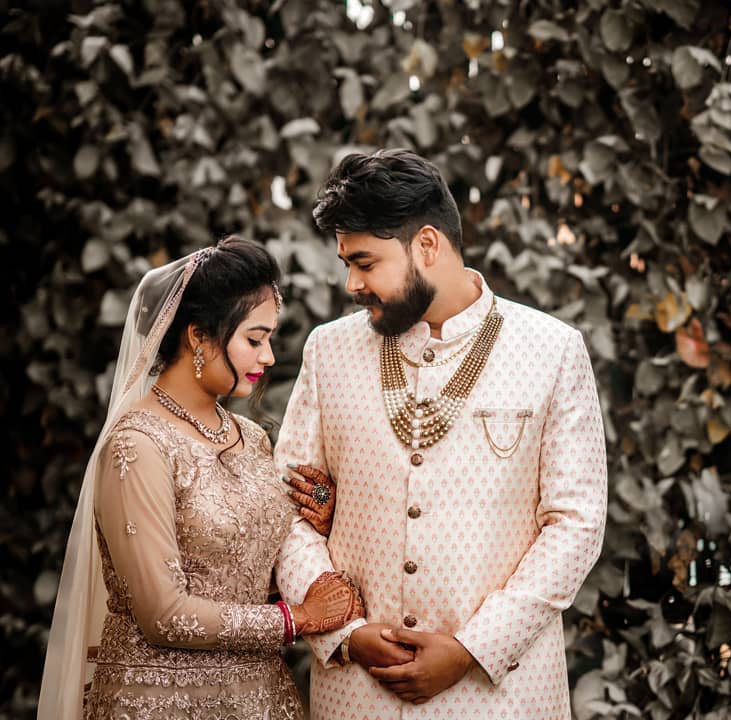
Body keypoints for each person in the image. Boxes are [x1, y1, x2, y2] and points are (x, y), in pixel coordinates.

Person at [276, 149, 608, 718]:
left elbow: (576, 524)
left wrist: (472, 649)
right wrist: (344, 632)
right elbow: (285, 509)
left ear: (427, 245)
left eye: (366, 262)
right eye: (346, 263)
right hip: (358, 693)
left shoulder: (551, 351)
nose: (352, 283)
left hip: (501, 697)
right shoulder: (329, 350)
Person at [38, 236, 364, 720]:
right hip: (159, 704)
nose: (269, 357)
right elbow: (164, 615)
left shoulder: (251, 438)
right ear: (198, 337)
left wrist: (322, 514)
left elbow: (244, 573)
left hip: (261, 699)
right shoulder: (138, 445)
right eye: (254, 340)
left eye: (269, 339)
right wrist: (298, 619)